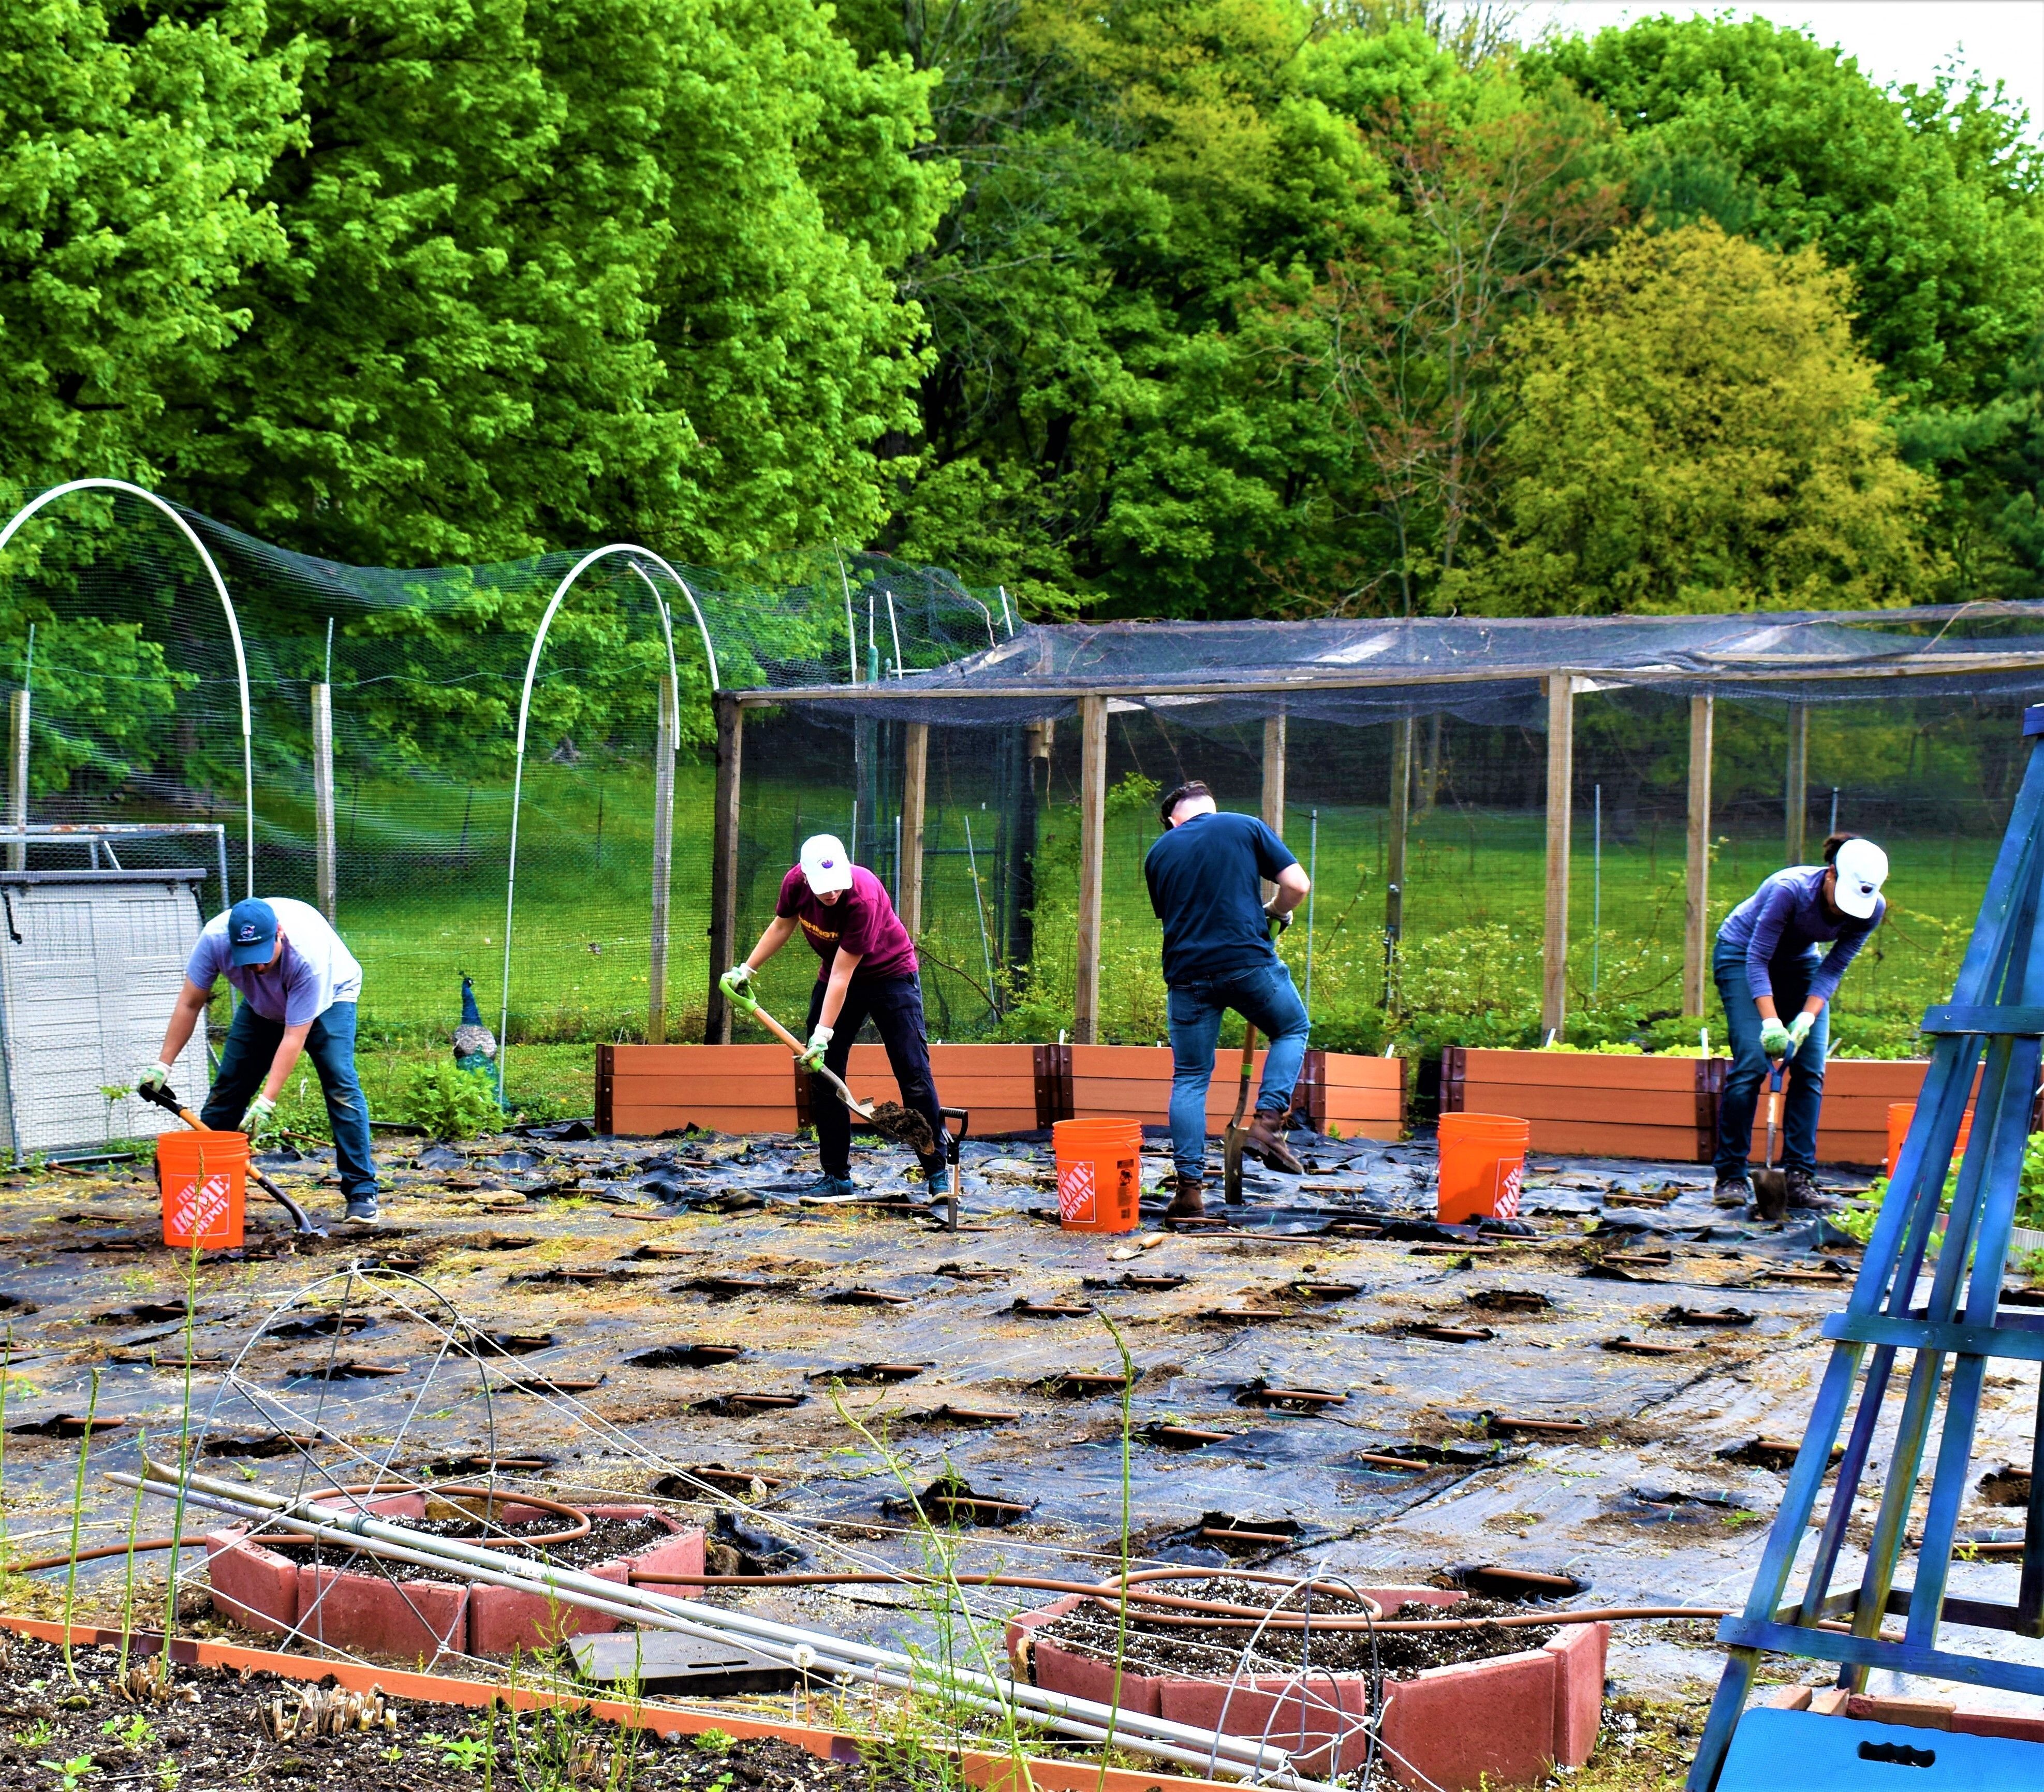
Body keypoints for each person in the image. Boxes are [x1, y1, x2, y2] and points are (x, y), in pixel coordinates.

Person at [722, 833, 946, 1198]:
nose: (831, 895)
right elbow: (782, 924)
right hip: (837, 979)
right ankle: (836, 1177)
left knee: (914, 1075)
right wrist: (746, 970)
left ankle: (938, 1173)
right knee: (823, 1075)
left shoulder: (864, 895)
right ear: (805, 877)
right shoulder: (795, 882)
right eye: (823, 888)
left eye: (836, 886)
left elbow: (845, 974)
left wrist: (822, 1034)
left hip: (891, 978)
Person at [143, 896, 380, 1224]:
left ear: (279, 934)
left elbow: (293, 1037)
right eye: (247, 959)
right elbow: (189, 1004)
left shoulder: (308, 958)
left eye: (262, 957)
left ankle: (361, 1191)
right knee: (229, 1088)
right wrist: (163, 1065)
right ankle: (201, 1196)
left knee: (339, 1082)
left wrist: (266, 1102)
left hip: (331, 998)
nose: (255, 967)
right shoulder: (215, 939)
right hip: (261, 1007)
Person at [1144, 781, 1312, 1220]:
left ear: (1172, 820)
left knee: (1190, 1078)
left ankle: (1189, 1191)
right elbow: (1297, 885)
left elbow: (1182, 911)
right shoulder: (1244, 827)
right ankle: (1267, 1124)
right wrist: (1274, 912)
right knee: (1292, 1028)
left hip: (1186, 977)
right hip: (1246, 963)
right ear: (1211, 807)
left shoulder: (1158, 853)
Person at [1713, 833, 1889, 1213]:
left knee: (1810, 1069)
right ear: (1830, 874)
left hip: (1799, 966)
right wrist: (1772, 1023)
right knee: (1749, 1064)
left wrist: (1807, 1016)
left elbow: (1833, 966)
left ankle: (1797, 1176)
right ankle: (1729, 1174)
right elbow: (1756, 959)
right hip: (1741, 954)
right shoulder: (1788, 890)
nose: (1846, 912)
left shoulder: (1871, 908)